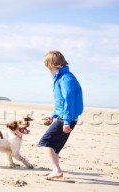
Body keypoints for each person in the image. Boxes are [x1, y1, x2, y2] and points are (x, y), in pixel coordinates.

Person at [38, 50, 83, 180]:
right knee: (55, 147)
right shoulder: (61, 77)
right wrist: (54, 115)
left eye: (47, 66)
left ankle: (57, 170)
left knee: (46, 143)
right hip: (63, 116)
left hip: (66, 118)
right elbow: (61, 102)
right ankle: (55, 169)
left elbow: (69, 100)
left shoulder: (66, 78)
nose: (47, 69)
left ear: (52, 65)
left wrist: (66, 121)